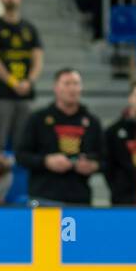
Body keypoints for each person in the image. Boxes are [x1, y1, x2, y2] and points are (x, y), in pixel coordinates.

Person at [15, 69, 104, 205]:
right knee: (46, 228)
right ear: (56, 88)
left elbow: (105, 158)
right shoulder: (38, 119)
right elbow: (21, 155)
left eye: (76, 84)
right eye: (67, 84)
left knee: (79, 227)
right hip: (44, 197)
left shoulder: (92, 122)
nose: (72, 89)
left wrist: (93, 165)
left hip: (80, 199)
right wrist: (46, 161)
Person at [0, 0, 43, 154]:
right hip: (0, 93)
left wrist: (29, 82)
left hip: (25, 94)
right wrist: (12, 81)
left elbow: (38, 58)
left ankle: (21, 179)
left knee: (23, 141)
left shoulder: (29, 28)